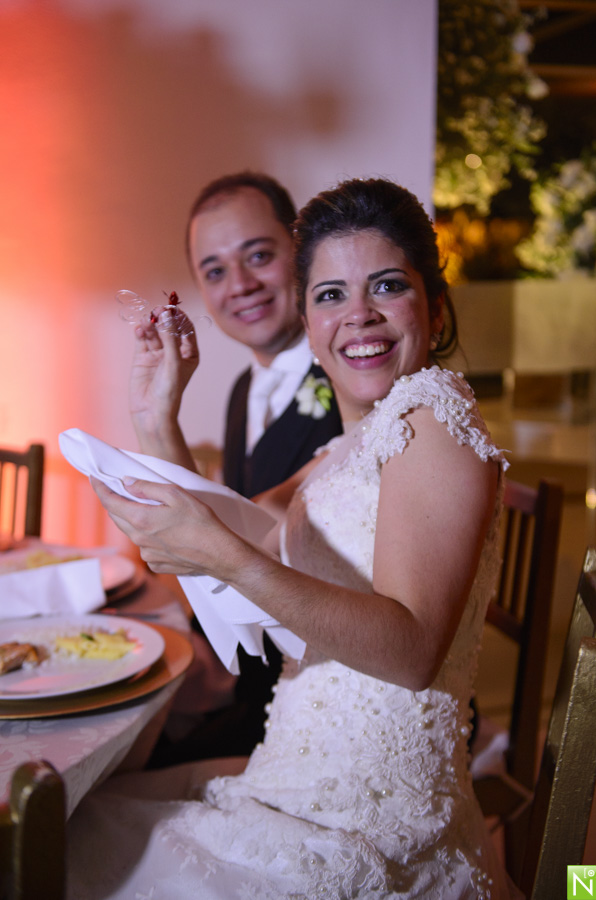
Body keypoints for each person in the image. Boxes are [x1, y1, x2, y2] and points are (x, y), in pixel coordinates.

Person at [68, 178, 519, 899]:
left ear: (433, 310)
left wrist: (224, 557)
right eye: (331, 295)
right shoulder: (348, 448)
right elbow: (227, 528)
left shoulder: (433, 419)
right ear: (308, 323)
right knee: (77, 816)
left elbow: (408, 653)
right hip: (297, 772)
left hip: (371, 820)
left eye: (387, 286)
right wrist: (157, 416)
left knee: (74, 841)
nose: (359, 315)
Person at [131, 172, 343, 760]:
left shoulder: (354, 379)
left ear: (300, 251)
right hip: (259, 671)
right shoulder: (241, 391)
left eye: (258, 255)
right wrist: (158, 418)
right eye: (216, 270)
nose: (241, 285)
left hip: (319, 690)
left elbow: (245, 540)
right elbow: (221, 539)